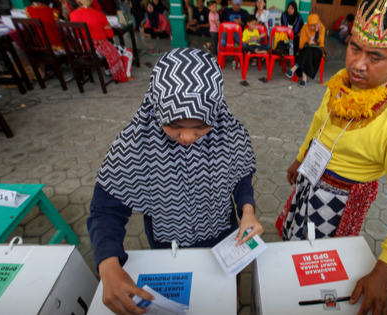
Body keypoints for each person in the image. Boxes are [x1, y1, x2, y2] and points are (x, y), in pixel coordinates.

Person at [277, 1, 387, 314]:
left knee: (317, 266)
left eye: (375, 56)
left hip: (339, 201)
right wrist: (301, 158)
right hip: (311, 176)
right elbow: (320, 122)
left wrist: (384, 272)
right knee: (293, 242)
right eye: (354, 48)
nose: (357, 65)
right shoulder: (344, 80)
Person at [88, 48, 262, 315]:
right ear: (156, 109)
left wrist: (247, 209)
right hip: (168, 249)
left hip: (223, 240)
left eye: (201, 127)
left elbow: (239, 176)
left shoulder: (229, 133)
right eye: (175, 127)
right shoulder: (135, 146)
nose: (188, 138)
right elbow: (105, 210)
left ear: (216, 112)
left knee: (222, 299)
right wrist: (109, 265)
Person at [70, 0, 134, 82]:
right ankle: (126, 75)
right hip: (99, 49)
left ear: (78, 2)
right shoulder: (99, 14)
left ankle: (108, 71)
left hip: (84, 49)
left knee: (110, 48)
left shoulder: (72, 15)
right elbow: (110, 34)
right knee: (128, 52)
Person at [285, 13, 325, 87]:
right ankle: (304, 79)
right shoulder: (305, 28)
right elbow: (302, 43)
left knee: (307, 53)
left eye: (314, 25)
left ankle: (293, 69)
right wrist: (307, 42)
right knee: (307, 52)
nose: (312, 27)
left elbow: (320, 42)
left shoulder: (322, 28)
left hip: (317, 50)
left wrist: (317, 31)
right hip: (307, 49)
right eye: (311, 25)